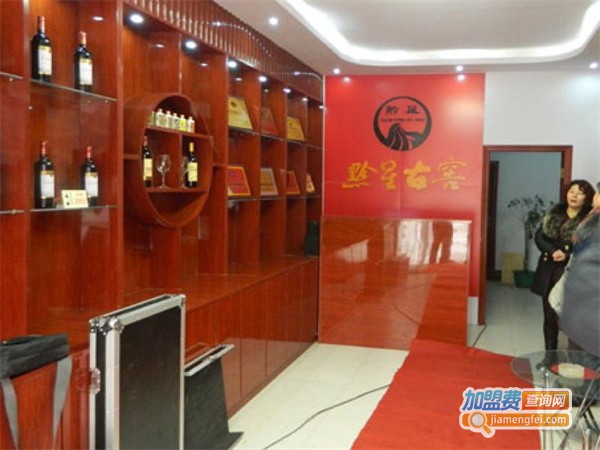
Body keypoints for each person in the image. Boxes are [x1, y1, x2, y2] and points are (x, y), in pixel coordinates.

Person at [530, 179, 595, 358]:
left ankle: (575, 360)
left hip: (574, 272)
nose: (574, 196)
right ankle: (549, 357)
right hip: (550, 270)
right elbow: (539, 236)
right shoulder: (555, 212)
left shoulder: (590, 218)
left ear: (587, 197)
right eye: (571, 191)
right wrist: (553, 251)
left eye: (580, 193)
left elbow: (590, 245)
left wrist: (566, 253)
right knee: (549, 317)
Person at [560, 182, 600, 357]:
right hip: (583, 301)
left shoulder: (593, 220)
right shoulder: (592, 216)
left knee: (584, 357)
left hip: (589, 305)